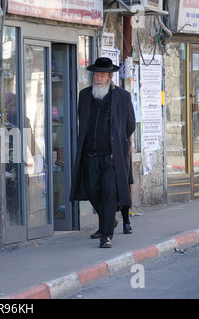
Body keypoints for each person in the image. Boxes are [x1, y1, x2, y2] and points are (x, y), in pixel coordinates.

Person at [70, 57, 136, 248]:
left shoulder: (122, 97)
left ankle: (106, 235)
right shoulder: (84, 95)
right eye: (96, 75)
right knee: (92, 191)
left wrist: (117, 141)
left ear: (109, 77)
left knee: (109, 194)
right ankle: (109, 221)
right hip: (89, 155)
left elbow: (130, 125)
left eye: (102, 75)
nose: (98, 78)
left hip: (111, 157)